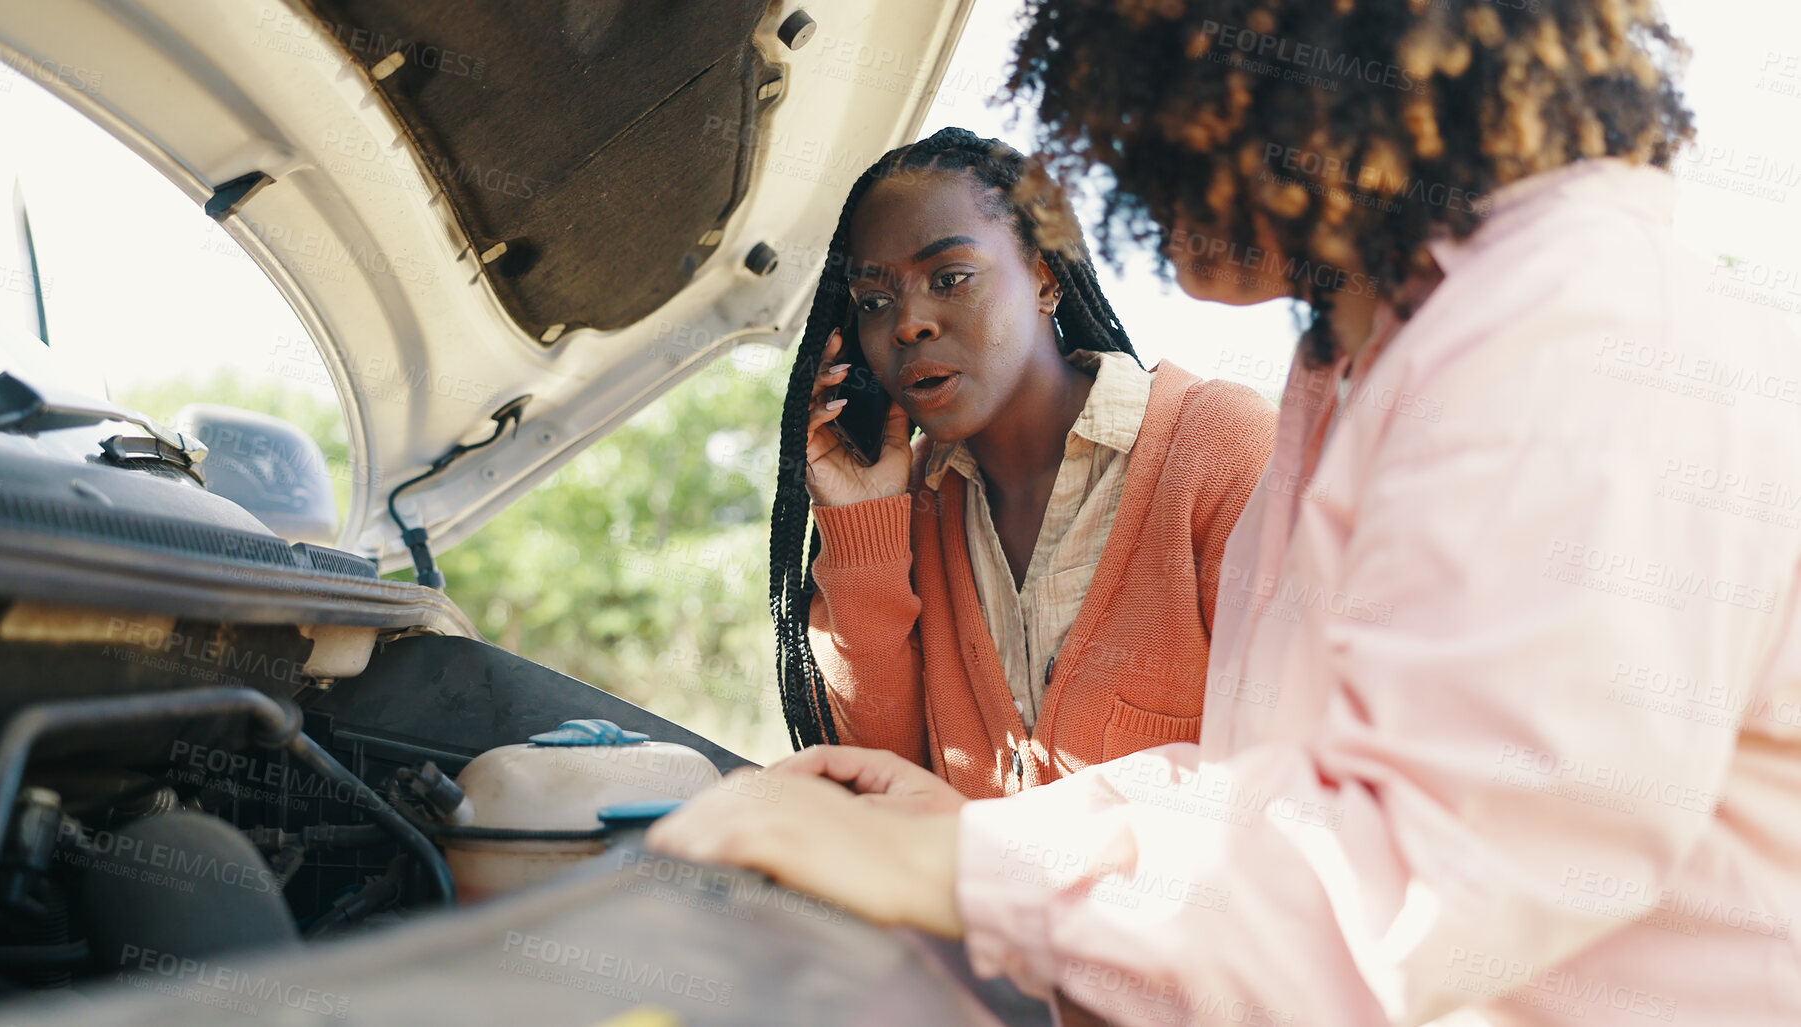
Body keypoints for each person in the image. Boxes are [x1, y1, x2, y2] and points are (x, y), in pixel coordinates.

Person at [656, 2, 1801, 1024]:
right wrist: (974, 836)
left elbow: (1420, 874)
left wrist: (969, 876)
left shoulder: (1576, 336)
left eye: (1150, 96)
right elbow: (1279, 784)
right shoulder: (1355, 363)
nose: (1111, 158)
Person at [770, 127, 1277, 801]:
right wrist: (861, 528)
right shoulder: (911, 506)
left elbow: (1297, 784)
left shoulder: (1218, 450)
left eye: (948, 278)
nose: (907, 323)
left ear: (1044, 276)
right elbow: (885, 791)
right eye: (873, 302)